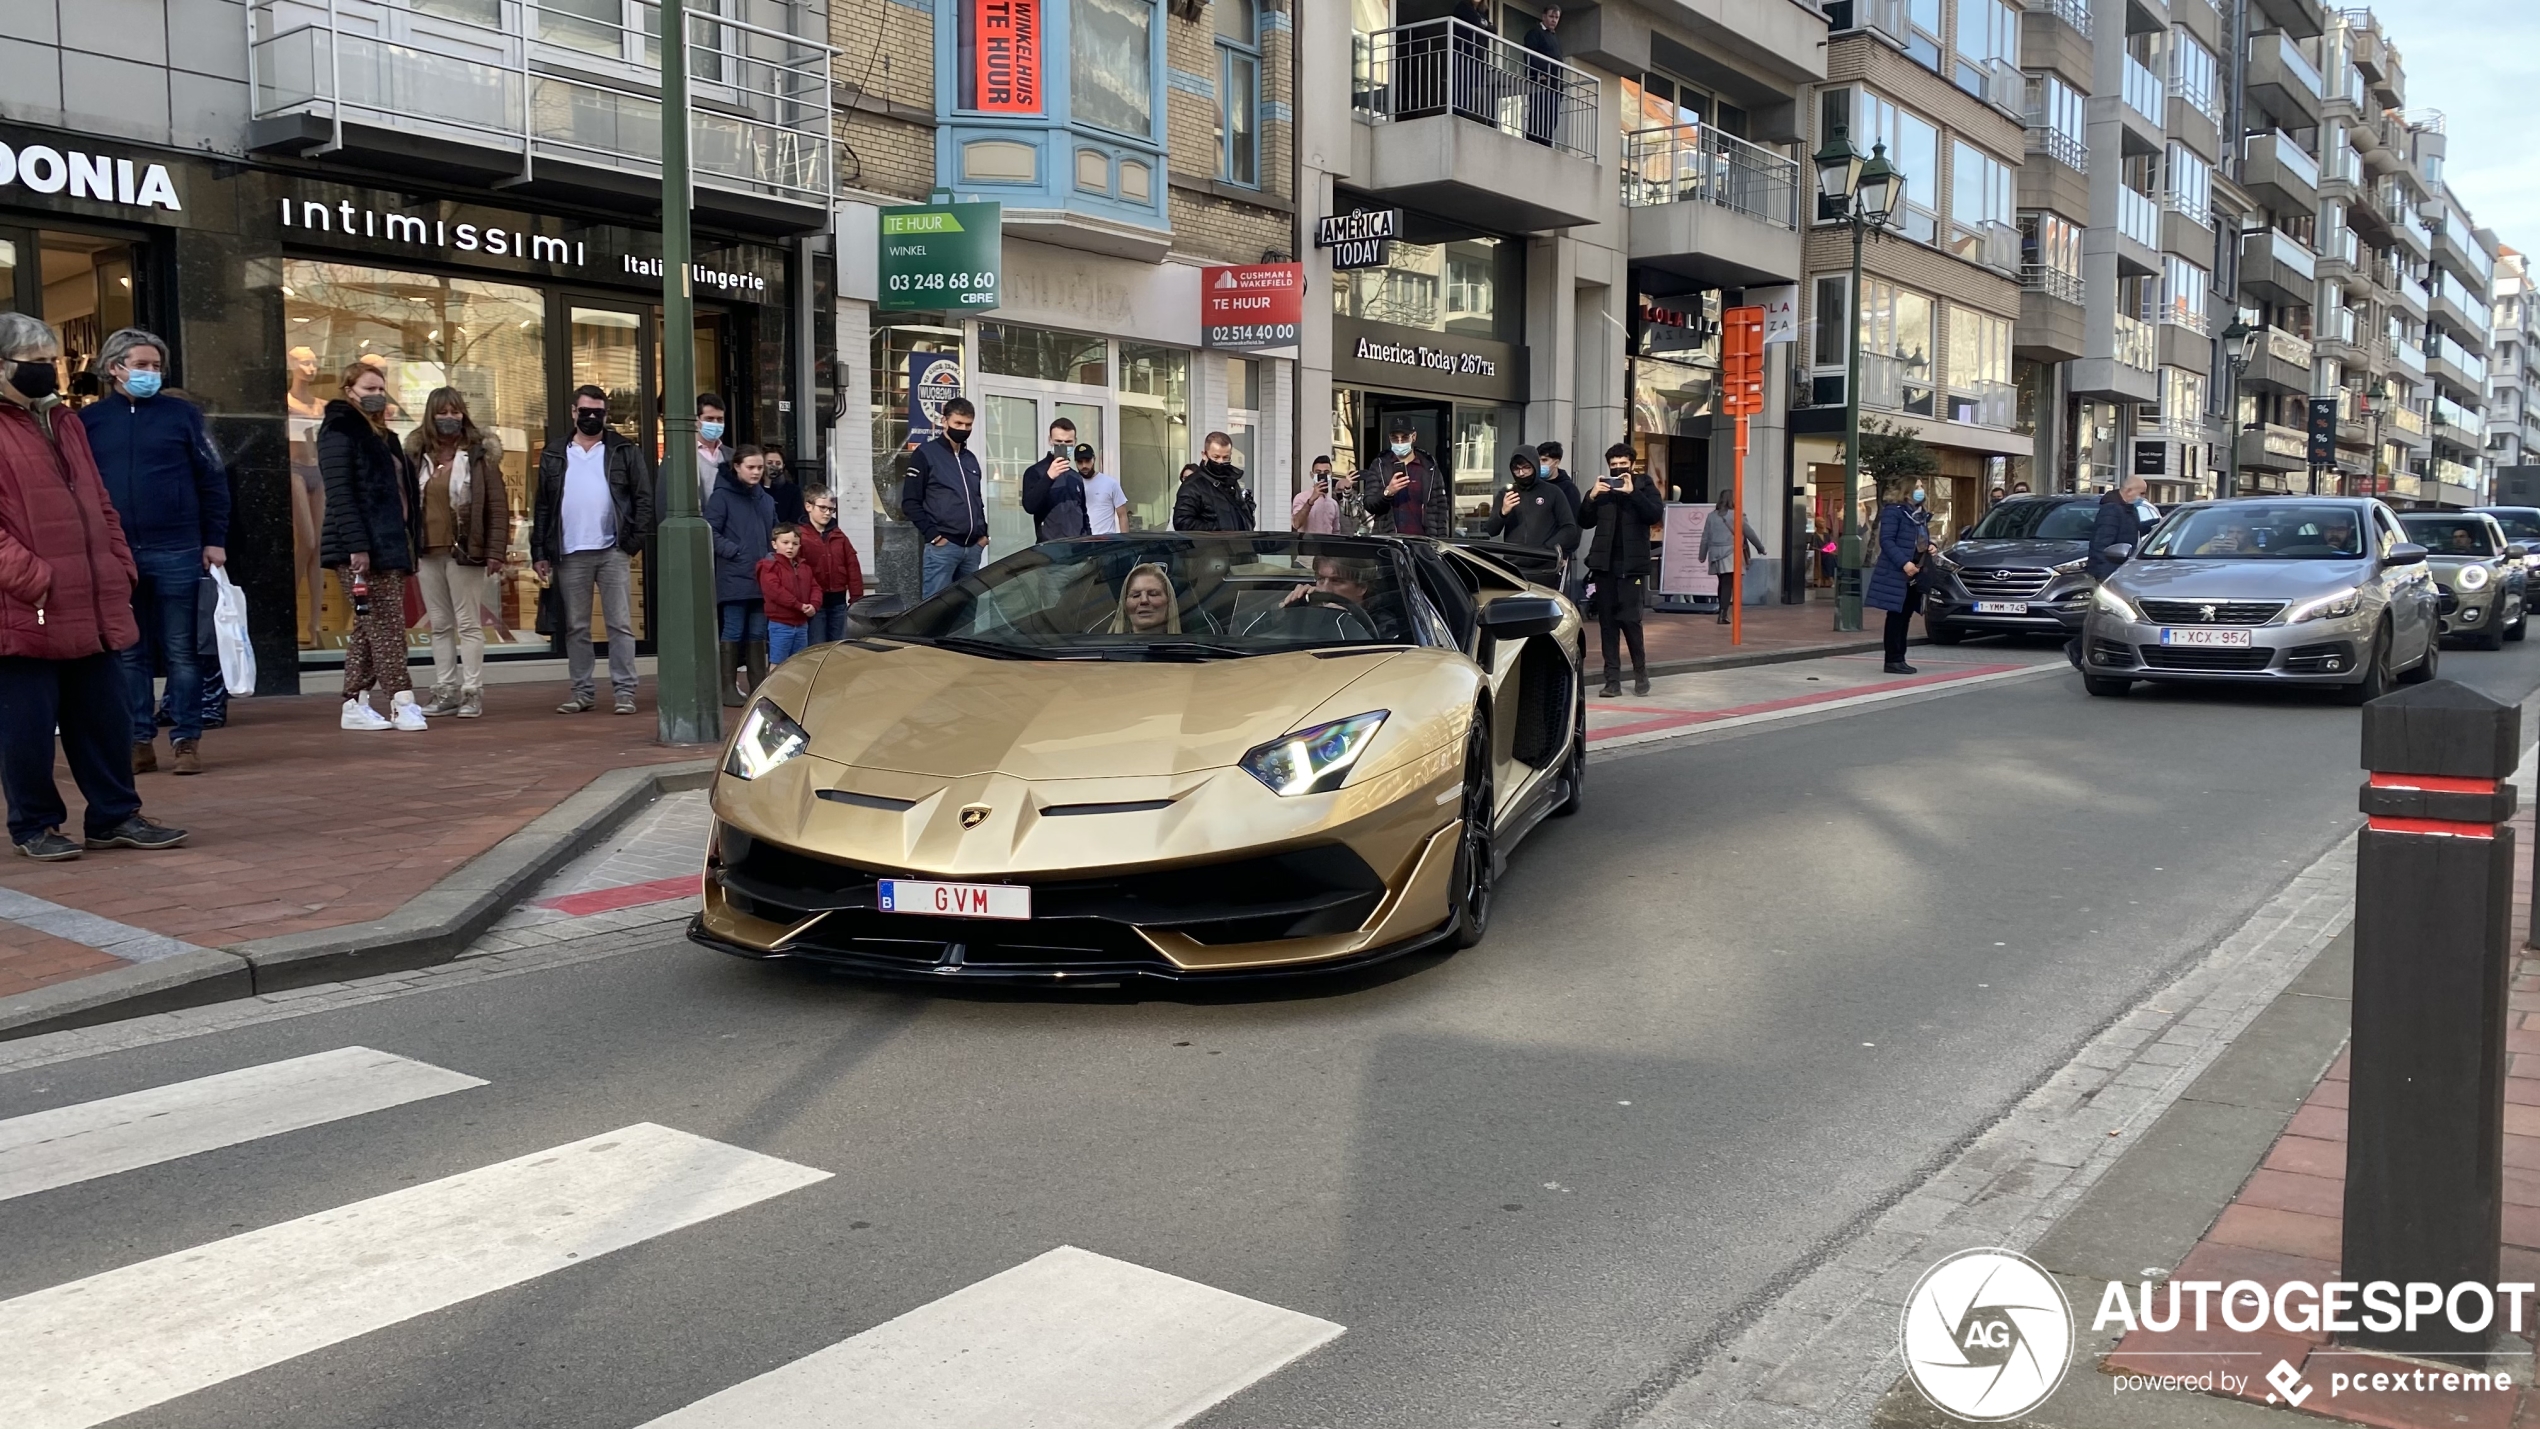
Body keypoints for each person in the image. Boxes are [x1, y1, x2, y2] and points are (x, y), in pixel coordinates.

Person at [0, 314, 186, 859]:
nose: (47, 372)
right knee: (26, 729)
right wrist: (34, 579)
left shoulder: (66, 421)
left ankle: (114, 816)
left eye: (50, 360)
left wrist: (117, 562)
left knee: (103, 719)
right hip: (24, 605)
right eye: (34, 362)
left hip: (89, 596)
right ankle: (34, 825)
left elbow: (98, 500)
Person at [80, 328, 229, 776]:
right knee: (130, 652)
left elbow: (212, 478)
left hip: (178, 547)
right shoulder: (88, 422)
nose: (150, 373)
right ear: (114, 368)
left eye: (155, 366)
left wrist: (214, 538)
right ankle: (137, 741)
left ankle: (186, 741)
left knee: (182, 651)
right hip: (115, 551)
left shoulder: (183, 415)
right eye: (141, 365)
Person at [532, 384, 654, 716]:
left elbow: (644, 499)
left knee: (620, 624)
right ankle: (582, 691)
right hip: (570, 552)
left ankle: (624, 691)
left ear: (605, 414)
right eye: (584, 412)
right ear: (574, 412)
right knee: (577, 626)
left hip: (612, 549)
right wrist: (539, 551)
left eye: (597, 413)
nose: (590, 418)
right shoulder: (556, 452)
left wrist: (630, 544)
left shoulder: (624, 450)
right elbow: (543, 505)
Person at [319, 361, 426, 730]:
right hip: (360, 549)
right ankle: (401, 699)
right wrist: (357, 546)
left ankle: (354, 702)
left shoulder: (385, 436)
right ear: (349, 391)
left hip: (392, 545)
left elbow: (404, 496)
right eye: (369, 389)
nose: (377, 395)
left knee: (370, 628)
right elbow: (340, 495)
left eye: (381, 389)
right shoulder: (339, 431)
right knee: (387, 626)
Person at [403, 387, 507, 720]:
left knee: (469, 623)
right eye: (443, 412)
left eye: (456, 411)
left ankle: (471, 692)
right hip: (426, 551)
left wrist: (495, 551)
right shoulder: (416, 456)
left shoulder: (478, 454)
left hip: (465, 551)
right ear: (431, 415)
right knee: (440, 625)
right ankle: (445, 690)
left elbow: (497, 506)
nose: (450, 418)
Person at [1581, 444, 1663, 695]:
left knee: (1630, 620)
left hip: (1632, 567)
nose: (1617, 468)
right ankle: (1612, 681)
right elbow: (1583, 520)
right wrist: (1591, 496)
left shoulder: (1644, 484)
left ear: (1631, 463)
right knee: (1607, 624)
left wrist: (1632, 493)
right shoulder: (1603, 489)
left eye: (1622, 463)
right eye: (1613, 464)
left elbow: (1654, 514)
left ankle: (1640, 674)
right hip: (1604, 566)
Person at [707, 444, 777, 703]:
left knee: (758, 632)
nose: (756, 472)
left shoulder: (765, 499)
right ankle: (727, 687)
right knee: (734, 629)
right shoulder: (722, 497)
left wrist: (772, 556)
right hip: (734, 576)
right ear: (736, 466)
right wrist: (733, 551)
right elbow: (710, 530)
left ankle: (757, 685)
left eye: (760, 467)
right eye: (751, 467)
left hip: (761, 576)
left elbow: (774, 531)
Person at [902, 396, 987, 598]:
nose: (963, 429)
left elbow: (976, 499)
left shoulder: (970, 459)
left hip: (973, 549)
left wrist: (983, 535)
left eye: (968, 425)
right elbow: (910, 502)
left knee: (967, 612)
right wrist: (933, 534)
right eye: (958, 423)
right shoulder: (926, 454)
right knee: (935, 611)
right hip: (944, 547)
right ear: (944, 421)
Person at [1868, 478, 1934, 675]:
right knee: (1896, 615)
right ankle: (1893, 659)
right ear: (1907, 491)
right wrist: (1904, 563)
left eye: (1922, 487)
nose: (1921, 490)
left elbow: (1920, 540)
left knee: (1905, 615)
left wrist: (1931, 546)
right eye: (1918, 487)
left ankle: (1900, 658)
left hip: (1916, 569)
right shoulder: (1894, 511)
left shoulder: (1919, 516)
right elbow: (1887, 541)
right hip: (1899, 571)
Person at [286, 345, 327, 648]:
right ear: (292, 365)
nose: (311, 369)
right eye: (305, 363)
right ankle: (286, 611)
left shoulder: (322, 404)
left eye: (314, 363)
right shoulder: (284, 403)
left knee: (318, 551)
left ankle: (313, 627)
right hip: (295, 469)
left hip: (318, 471)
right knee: (307, 541)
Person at [1360, 421, 1452, 536]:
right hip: (1390, 541)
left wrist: (1440, 542)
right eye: (1395, 438)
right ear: (1389, 438)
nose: (1399, 442)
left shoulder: (1428, 468)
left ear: (1413, 437)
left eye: (1404, 438)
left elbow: (1440, 509)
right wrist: (1388, 492)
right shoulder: (1380, 465)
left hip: (1423, 542)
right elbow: (1369, 504)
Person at [1484, 447, 1579, 557]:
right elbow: (1492, 530)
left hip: (1545, 563)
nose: (1521, 473)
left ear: (1535, 466)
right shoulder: (1506, 493)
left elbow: (1569, 529)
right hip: (1514, 564)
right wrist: (1502, 513)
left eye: (1526, 468)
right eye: (1516, 469)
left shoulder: (1553, 492)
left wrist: (1547, 548)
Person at [799, 485, 863, 643]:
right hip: (813, 603)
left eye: (831, 509)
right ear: (808, 506)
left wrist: (856, 598)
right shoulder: (799, 536)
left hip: (838, 601)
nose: (827, 513)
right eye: (822, 508)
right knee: (817, 645)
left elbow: (853, 567)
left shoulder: (839, 535)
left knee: (838, 645)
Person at [759, 522, 823, 666]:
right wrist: (799, 606)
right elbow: (775, 591)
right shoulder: (769, 566)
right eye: (785, 542)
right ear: (774, 544)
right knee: (778, 664)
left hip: (801, 624)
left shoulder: (804, 567)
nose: (790, 547)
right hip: (780, 624)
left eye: (795, 543)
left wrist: (814, 605)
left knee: (799, 664)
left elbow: (815, 587)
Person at [1022, 419, 1092, 540]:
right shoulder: (1035, 472)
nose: (1063, 446)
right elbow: (1030, 506)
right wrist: (1049, 477)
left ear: (1075, 442)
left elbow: (1084, 514)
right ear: (1050, 440)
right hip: (1050, 547)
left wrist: (1089, 541)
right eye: (1058, 441)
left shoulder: (1075, 477)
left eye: (1068, 442)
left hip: (1077, 546)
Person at [1174, 431, 1255, 531]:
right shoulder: (1192, 486)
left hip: (1238, 544)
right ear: (1204, 455)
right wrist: (1218, 531)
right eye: (1216, 457)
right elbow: (1182, 523)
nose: (1220, 461)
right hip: (1211, 545)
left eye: (1226, 457)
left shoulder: (1231, 481)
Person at [1702, 499, 1766, 624]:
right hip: (1731, 553)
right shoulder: (1737, 515)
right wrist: (1760, 548)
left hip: (1715, 554)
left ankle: (1722, 611)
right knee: (1727, 583)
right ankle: (1723, 614)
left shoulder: (1711, 516)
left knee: (1722, 582)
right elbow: (1749, 533)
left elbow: (1705, 537)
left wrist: (1702, 555)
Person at [2087, 475, 2146, 582]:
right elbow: (2101, 545)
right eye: (2141, 493)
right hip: (2111, 572)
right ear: (2129, 491)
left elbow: (2133, 530)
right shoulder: (2111, 511)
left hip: (2123, 569)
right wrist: (2104, 575)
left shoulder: (2128, 509)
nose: (2143, 497)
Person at [1520, 3, 1563, 145]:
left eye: (1557, 17)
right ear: (1544, 16)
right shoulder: (1535, 33)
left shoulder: (1553, 37)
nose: (1554, 20)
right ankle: (1533, 142)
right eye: (1551, 16)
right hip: (1541, 81)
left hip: (1554, 84)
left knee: (1551, 117)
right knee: (1539, 114)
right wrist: (1538, 74)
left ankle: (1546, 144)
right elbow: (1529, 55)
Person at [1110, 563, 1180, 634]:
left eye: (1153, 594)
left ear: (1168, 601)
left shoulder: (1187, 643)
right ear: (1125, 604)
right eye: (1136, 595)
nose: (1144, 600)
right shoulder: (1105, 644)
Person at [1078, 444, 1129, 534]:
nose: (1084, 465)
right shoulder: (1073, 484)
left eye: (1087, 461)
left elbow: (1122, 515)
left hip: (1105, 542)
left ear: (1094, 459)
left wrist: (1124, 542)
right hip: (1081, 542)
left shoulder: (1110, 483)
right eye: (1080, 462)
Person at [692, 393, 729, 511]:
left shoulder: (731, 455)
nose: (716, 424)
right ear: (697, 420)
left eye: (720, 419)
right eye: (709, 419)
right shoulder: (682, 456)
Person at [1292, 455, 1344, 534]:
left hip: (1326, 545)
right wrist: (1310, 501)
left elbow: (1336, 532)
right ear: (1312, 475)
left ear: (1331, 475)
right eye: (1318, 472)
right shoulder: (1301, 498)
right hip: (1307, 545)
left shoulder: (1333, 504)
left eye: (1326, 472)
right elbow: (1296, 524)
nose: (1322, 476)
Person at [761, 444, 806, 526]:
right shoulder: (755, 488)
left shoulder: (793, 491)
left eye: (778, 463)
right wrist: (767, 483)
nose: (773, 466)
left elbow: (795, 519)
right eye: (769, 463)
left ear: (783, 466)